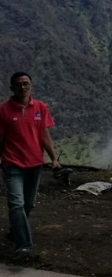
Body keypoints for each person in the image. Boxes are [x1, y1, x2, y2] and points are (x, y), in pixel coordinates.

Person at [0, 72, 59, 253]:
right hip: (12, 164)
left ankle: (16, 230)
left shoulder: (40, 107)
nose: (23, 87)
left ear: (31, 86)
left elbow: (44, 135)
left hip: (35, 164)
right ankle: (24, 246)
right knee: (16, 203)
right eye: (19, 84)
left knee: (29, 203)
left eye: (26, 83)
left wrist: (54, 158)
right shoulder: (3, 110)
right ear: (12, 88)